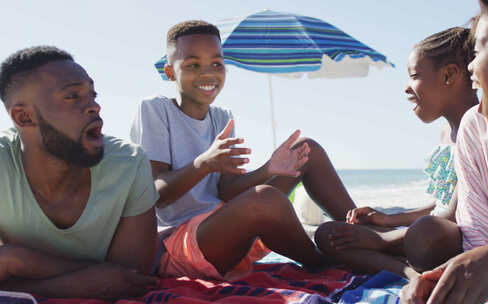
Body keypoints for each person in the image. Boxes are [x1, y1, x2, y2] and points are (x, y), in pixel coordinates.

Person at [130, 20, 357, 281]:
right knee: (265, 198)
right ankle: (322, 263)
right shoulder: (154, 109)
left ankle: (362, 233)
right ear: (170, 73)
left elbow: (226, 191)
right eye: (193, 65)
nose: (208, 73)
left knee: (307, 150)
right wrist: (204, 163)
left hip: (227, 228)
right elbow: (156, 194)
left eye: (216, 63)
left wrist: (268, 169)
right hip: (180, 243)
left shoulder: (221, 116)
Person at [401, 0, 488, 303]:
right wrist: (440, 279)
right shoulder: (476, 131)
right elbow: (480, 248)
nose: (471, 69)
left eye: (476, 53)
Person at [314, 27, 479, 279]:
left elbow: (455, 215)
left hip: (459, 240)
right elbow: (441, 204)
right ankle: (412, 275)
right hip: (430, 238)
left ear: (449, 75)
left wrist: (382, 240)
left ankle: (406, 264)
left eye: (414, 75)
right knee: (329, 234)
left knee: (426, 232)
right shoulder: (447, 134)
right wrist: (386, 220)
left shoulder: (479, 127)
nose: (406, 88)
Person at [0, 46, 159, 299]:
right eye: (73, 96)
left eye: (92, 94)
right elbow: (110, 279)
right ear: (24, 117)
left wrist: (17, 261)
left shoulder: (128, 163)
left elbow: (130, 280)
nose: (94, 106)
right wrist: (71, 285)